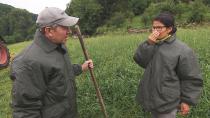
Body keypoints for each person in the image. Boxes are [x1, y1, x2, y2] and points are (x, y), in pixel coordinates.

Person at [10, 7, 93, 118]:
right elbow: (25, 111)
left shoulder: (59, 46)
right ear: (49, 31)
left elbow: (61, 72)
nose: (69, 31)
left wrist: (81, 67)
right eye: (64, 27)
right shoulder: (28, 63)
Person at [133, 12, 203, 118]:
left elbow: (191, 78)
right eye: (154, 28)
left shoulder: (182, 50)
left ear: (169, 29)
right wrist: (149, 43)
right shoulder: (153, 44)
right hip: (153, 99)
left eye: (159, 28)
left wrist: (186, 101)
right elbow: (140, 60)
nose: (155, 31)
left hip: (168, 102)